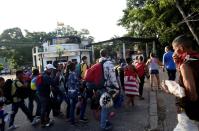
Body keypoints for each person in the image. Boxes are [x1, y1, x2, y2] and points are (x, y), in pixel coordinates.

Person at [163, 35, 199, 131]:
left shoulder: (186, 65)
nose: (173, 53)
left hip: (190, 114)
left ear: (181, 48)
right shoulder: (194, 58)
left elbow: (193, 96)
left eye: (174, 49)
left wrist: (172, 90)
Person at [98, 49, 120, 131]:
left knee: (105, 106)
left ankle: (105, 121)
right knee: (105, 108)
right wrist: (117, 86)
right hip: (107, 87)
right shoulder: (108, 63)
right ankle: (103, 126)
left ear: (100, 55)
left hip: (100, 87)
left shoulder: (98, 63)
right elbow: (112, 76)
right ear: (106, 54)